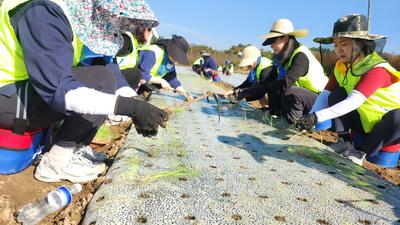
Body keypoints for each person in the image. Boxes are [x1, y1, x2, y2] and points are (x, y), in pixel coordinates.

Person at [0, 0, 169, 182]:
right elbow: (63, 91)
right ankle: (57, 162)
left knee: (102, 77)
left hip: (25, 93)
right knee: (100, 80)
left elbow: (108, 67)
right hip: (8, 98)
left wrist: (136, 102)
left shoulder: (73, 12)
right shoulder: (43, 11)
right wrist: (129, 108)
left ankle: (73, 149)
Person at [296, 14, 400, 166]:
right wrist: (310, 120)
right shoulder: (341, 67)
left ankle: (361, 154)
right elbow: (326, 96)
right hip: (362, 124)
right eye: (335, 45)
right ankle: (345, 142)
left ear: (361, 44)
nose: (338, 50)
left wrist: (317, 116)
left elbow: (354, 101)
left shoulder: (377, 69)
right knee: (337, 94)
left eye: (344, 44)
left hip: (385, 132)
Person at [233, 19, 328, 124]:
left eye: (273, 41)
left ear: (286, 38)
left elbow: (285, 84)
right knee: (274, 85)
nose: (271, 46)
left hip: (320, 101)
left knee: (288, 90)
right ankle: (276, 115)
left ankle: (296, 125)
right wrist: (243, 92)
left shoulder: (301, 56)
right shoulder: (284, 59)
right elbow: (267, 84)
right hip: (303, 98)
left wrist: (249, 91)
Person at [123, 35, 194, 101]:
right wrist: (161, 81)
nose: (177, 61)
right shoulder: (153, 53)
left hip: (144, 82)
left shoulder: (170, 60)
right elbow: (141, 74)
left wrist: (185, 93)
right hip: (128, 80)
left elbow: (172, 79)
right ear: (171, 50)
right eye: (177, 57)